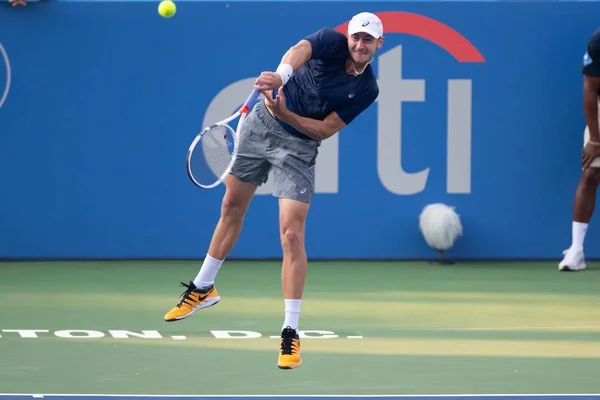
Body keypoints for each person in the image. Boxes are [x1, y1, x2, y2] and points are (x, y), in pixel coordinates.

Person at [163, 12, 384, 369]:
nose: (359, 45)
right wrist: (282, 77)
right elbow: (298, 50)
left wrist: (286, 115)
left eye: (367, 40)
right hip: (257, 127)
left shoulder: (366, 89)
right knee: (231, 208)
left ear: (378, 45)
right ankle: (203, 288)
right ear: (349, 38)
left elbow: (325, 129)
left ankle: (290, 332)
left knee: (292, 235)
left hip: (298, 147)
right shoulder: (330, 40)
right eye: (356, 38)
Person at [559, 28, 600, 271]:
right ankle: (576, 250)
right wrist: (595, 139)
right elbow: (590, 89)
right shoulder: (599, 42)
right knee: (590, 173)